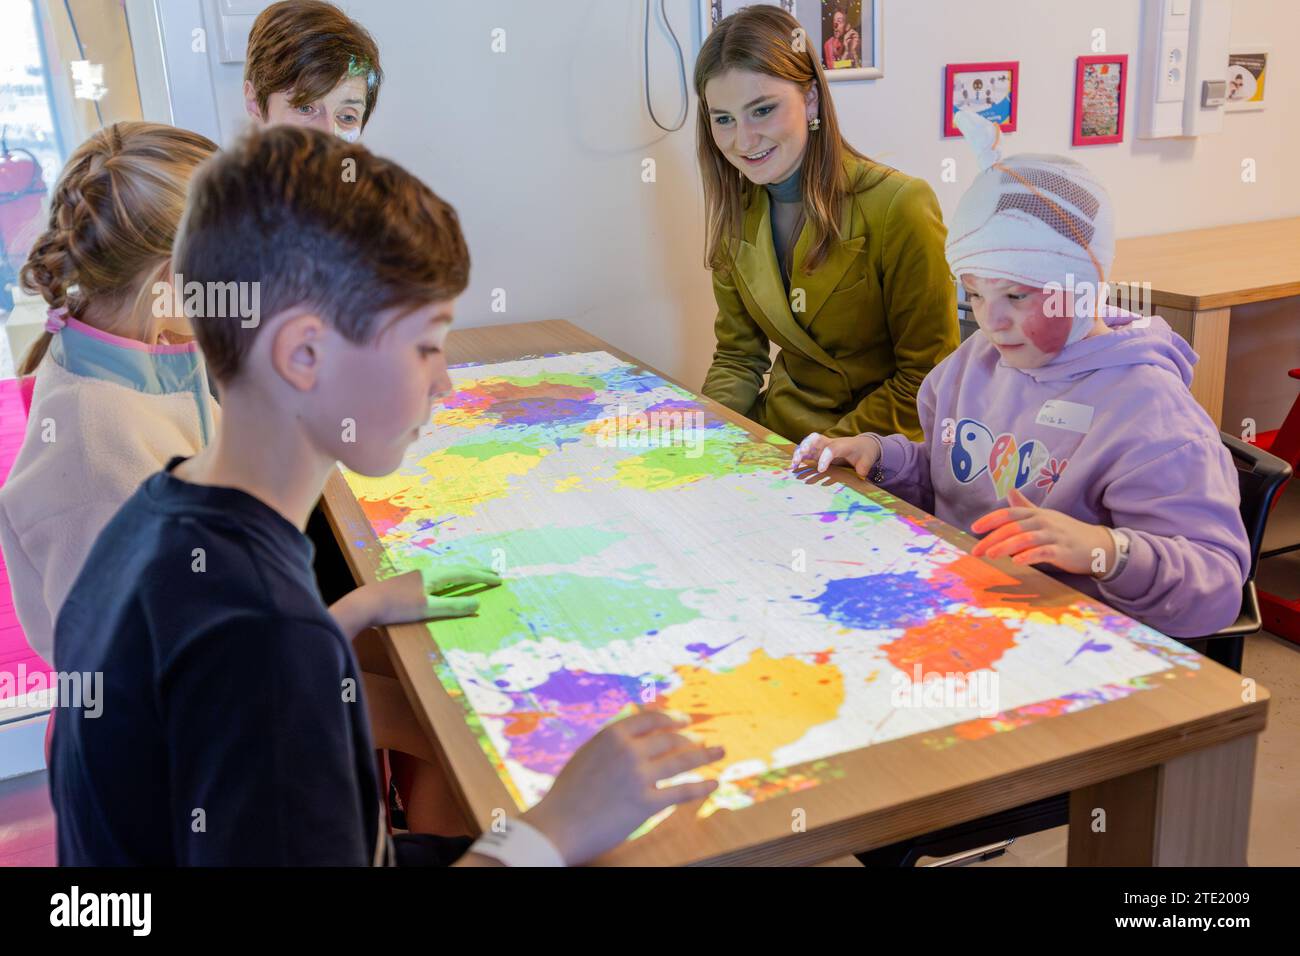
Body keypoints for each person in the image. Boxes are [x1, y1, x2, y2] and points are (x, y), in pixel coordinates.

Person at [793, 111, 1249, 638]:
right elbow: (955, 477)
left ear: (1082, 288)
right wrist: (884, 457)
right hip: (964, 611)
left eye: (1016, 295)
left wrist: (1104, 550)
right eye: (975, 294)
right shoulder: (970, 368)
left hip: (1076, 647)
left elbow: (1215, 590)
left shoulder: (1151, 415)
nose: (991, 320)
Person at [697, 5, 957, 444]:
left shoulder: (901, 204)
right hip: (776, 434)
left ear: (811, 98)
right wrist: (702, 431)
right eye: (723, 119)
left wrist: (827, 451)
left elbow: (926, 379)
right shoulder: (736, 208)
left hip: (872, 450)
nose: (742, 140)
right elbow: (739, 358)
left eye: (762, 110)